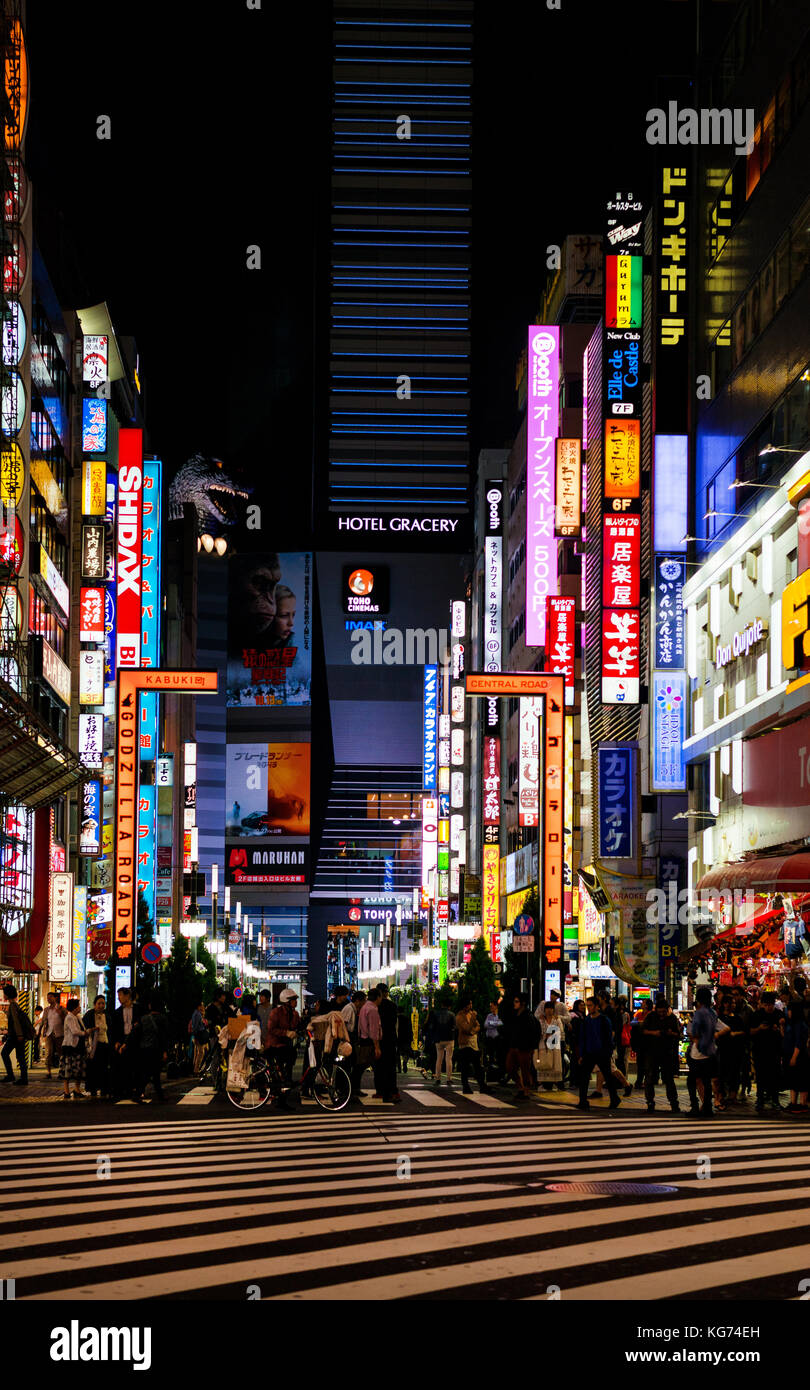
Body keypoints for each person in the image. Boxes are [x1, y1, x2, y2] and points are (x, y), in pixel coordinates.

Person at [685, 986, 729, 1117]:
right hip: (711, 1052)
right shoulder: (712, 1013)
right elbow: (726, 1028)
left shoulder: (699, 1013)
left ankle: (695, 1107)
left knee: (691, 1081)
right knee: (706, 1080)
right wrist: (714, 1036)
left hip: (698, 1052)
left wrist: (698, 1040)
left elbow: (695, 1031)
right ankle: (708, 1108)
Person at [576, 995, 620, 1111]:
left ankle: (614, 1098)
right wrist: (581, 1054)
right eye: (587, 1005)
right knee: (584, 1077)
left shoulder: (604, 1020)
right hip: (589, 1053)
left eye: (590, 1005)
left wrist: (608, 1052)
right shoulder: (587, 1020)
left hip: (602, 1053)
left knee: (608, 1077)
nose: (588, 1008)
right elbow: (582, 1038)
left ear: (596, 1006)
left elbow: (608, 1038)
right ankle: (582, 1101)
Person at [640, 994, 681, 1113]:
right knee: (649, 1078)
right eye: (660, 1012)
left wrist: (670, 1033)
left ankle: (674, 1103)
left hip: (666, 1052)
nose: (662, 1014)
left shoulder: (672, 1018)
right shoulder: (651, 1016)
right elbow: (643, 1031)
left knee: (668, 1079)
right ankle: (650, 1102)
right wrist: (654, 1033)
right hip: (651, 1051)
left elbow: (678, 1034)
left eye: (664, 1012)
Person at [750, 990, 784, 1112]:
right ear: (762, 1004)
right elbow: (750, 1031)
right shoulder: (757, 1015)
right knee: (760, 1076)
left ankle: (775, 1100)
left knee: (774, 1076)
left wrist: (779, 1027)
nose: (769, 1007)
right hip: (760, 1050)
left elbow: (784, 1032)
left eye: (771, 1004)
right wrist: (759, 1028)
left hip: (775, 1050)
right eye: (766, 1005)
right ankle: (760, 1100)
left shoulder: (779, 1014)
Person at [504, 993, 539, 1101]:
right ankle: (521, 1087)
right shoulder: (515, 1015)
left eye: (516, 1001)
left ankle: (525, 1091)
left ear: (523, 1003)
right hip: (514, 1046)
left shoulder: (528, 1016)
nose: (514, 1004)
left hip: (524, 1047)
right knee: (510, 1067)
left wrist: (532, 1047)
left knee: (525, 1069)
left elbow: (533, 1032)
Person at [110, 987, 142, 1100]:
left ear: (127, 996)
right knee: (122, 1066)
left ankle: (135, 1089)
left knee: (135, 1065)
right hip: (122, 1039)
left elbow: (140, 1027)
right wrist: (116, 1042)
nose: (119, 998)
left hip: (135, 1041)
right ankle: (124, 1089)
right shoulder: (117, 1012)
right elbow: (114, 1029)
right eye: (118, 996)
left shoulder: (138, 1009)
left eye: (120, 996)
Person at [716, 992, 748, 1107]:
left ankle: (732, 1095)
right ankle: (721, 1095)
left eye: (734, 1003)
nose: (733, 1005)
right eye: (730, 1003)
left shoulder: (738, 1018)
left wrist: (735, 1034)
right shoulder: (719, 1018)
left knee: (734, 1073)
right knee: (722, 1073)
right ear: (724, 1004)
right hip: (723, 1049)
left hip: (735, 1050)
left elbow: (744, 1031)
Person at [136, 997, 169, 1103]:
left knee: (149, 1072)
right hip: (156, 1049)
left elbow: (138, 1033)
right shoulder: (162, 1019)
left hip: (144, 1048)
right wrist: (164, 1051)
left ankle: (156, 1095)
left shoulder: (144, 1018)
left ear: (150, 1006)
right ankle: (157, 1095)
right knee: (154, 1072)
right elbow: (163, 1036)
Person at [455, 998, 490, 1095]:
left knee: (477, 1066)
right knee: (465, 1067)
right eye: (469, 1004)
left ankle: (482, 1085)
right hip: (465, 1044)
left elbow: (478, 1026)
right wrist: (473, 1020)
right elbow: (466, 1029)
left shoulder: (471, 1014)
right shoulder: (459, 1016)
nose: (471, 1006)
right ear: (465, 1005)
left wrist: (473, 1031)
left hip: (474, 1043)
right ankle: (466, 1086)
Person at [1, 983, 34, 1085]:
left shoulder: (12, 1006)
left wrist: (19, 1035)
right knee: (20, 1057)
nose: (3, 995)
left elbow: (16, 1022)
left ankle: (11, 1075)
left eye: (4, 993)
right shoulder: (15, 1005)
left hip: (16, 1036)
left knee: (5, 1053)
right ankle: (23, 1078)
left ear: (7, 994)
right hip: (17, 1035)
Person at [266, 988, 300, 1085]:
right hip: (274, 1044)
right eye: (293, 1000)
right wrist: (286, 1033)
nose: (296, 1002)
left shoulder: (295, 1014)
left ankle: (287, 1078)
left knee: (293, 1054)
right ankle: (281, 1080)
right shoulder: (276, 1012)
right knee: (288, 1054)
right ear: (286, 1002)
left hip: (286, 1044)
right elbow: (271, 1029)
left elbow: (298, 1025)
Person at [783, 1001, 810, 1113]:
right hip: (791, 1054)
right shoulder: (792, 1023)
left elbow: (799, 1042)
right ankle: (793, 1103)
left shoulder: (800, 1024)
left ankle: (803, 1104)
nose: (788, 1012)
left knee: (801, 1080)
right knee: (793, 1079)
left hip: (799, 1056)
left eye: (789, 1010)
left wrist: (794, 1057)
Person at [375, 983, 401, 1103]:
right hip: (390, 1038)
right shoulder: (391, 1005)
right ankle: (391, 1092)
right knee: (390, 1067)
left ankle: (381, 1091)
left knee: (379, 1067)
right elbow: (394, 1023)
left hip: (378, 1039)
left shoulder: (376, 1006)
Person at [58, 999, 88, 1101]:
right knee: (67, 1069)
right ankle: (66, 1091)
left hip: (78, 1046)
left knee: (78, 1069)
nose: (80, 1007)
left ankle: (77, 1090)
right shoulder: (70, 1017)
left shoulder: (78, 1017)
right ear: (74, 1007)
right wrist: (85, 1033)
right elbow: (75, 1031)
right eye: (78, 1006)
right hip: (69, 1046)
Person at [354, 987, 380, 1097]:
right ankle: (380, 1091)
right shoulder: (373, 1009)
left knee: (360, 1067)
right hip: (369, 1042)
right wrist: (377, 1047)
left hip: (363, 1040)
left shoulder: (364, 1007)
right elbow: (374, 1030)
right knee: (369, 1067)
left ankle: (354, 1089)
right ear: (378, 997)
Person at [83, 995, 110, 1099]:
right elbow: (85, 1029)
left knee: (104, 1067)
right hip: (93, 1046)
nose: (101, 1005)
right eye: (99, 1003)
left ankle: (104, 1088)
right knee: (93, 1067)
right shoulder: (89, 1015)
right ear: (95, 1004)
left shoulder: (107, 1015)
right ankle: (93, 1089)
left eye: (103, 1003)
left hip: (105, 1043)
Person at [205, 987, 229, 1094]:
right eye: (222, 995)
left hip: (225, 1035)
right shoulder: (210, 1008)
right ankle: (216, 1081)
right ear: (218, 996)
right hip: (215, 1036)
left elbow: (232, 1016)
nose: (224, 997)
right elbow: (209, 1021)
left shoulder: (225, 1007)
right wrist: (214, 1027)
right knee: (215, 1058)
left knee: (225, 1058)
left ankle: (224, 1082)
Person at [536, 1001, 564, 1088]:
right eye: (547, 1008)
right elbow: (538, 1032)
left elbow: (561, 1031)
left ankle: (555, 1082)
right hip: (543, 1044)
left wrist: (551, 1034)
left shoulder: (557, 1020)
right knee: (544, 1061)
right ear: (544, 1010)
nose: (549, 1010)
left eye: (551, 1009)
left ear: (553, 1010)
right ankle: (542, 1082)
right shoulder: (541, 1020)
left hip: (554, 1044)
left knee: (555, 1063)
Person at [631, 998, 653, 1090]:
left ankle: (644, 1081)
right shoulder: (639, 1013)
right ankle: (639, 1081)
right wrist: (641, 1023)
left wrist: (639, 1023)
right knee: (640, 1063)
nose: (642, 1004)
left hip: (648, 1043)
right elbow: (632, 1023)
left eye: (643, 1002)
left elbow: (645, 1024)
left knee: (646, 1064)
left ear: (647, 1005)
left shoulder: (651, 1014)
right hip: (640, 1042)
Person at [42, 992, 65, 1079]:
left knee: (60, 1053)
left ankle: (62, 1071)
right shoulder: (46, 1010)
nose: (49, 999)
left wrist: (61, 1014)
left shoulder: (61, 1008)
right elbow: (43, 1021)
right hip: (49, 1033)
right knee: (48, 1053)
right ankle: (48, 1072)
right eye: (48, 997)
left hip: (59, 1033)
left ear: (55, 998)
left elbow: (66, 1019)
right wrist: (40, 1031)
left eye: (50, 997)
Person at [483, 1002, 504, 1075]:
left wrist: (490, 1023)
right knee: (489, 1054)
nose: (490, 1008)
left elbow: (501, 1023)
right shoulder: (489, 1015)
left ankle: (499, 1069)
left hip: (497, 1038)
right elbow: (485, 1025)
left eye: (492, 1006)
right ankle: (490, 1067)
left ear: (496, 1006)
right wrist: (495, 1023)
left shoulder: (499, 1015)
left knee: (498, 1054)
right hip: (489, 1038)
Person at [190, 998, 209, 1075]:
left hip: (197, 1034)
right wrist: (195, 1035)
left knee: (197, 1052)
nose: (202, 1006)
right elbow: (196, 1026)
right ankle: (196, 1069)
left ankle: (195, 1068)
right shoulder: (197, 1014)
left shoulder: (196, 1013)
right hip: (199, 1034)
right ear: (198, 1006)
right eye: (201, 1005)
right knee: (200, 1053)